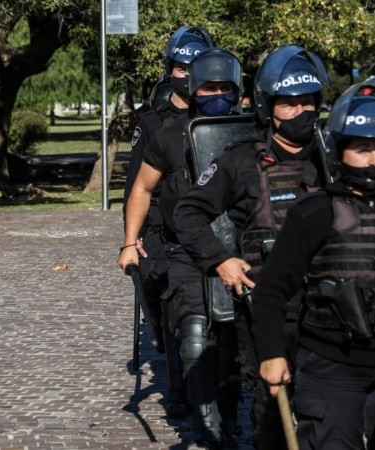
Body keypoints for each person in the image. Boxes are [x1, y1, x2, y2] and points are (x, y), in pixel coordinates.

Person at [255, 77, 375, 450]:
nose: (373, 160)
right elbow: (272, 290)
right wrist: (273, 354)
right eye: (362, 149)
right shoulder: (314, 212)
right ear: (340, 151)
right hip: (330, 367)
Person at [174, 44, 331, 450]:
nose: (301, 111)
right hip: (269, 309)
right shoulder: (240, 161)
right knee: (273, 413)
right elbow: (188, 212)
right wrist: (220, 260)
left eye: (308, 102)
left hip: (331, 308)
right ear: (267, 106)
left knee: (328, 411)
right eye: (289, 103)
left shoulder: (334, 158)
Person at [119, 48, 244, 449]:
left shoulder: (249, 132)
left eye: (225, 87)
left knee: (232, 343)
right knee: (194, 336)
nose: (217, 94)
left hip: (240, 249)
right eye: (209, 87)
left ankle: (229, 413)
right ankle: (205, 428)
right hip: (183, 249)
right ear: (193, 88)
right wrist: (128, 243)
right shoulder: (168, 135)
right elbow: (141, 188)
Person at [122, 25, 214, 418]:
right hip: (161, 226)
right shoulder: (153, 121)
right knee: (168, 305)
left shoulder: (219, 112)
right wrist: (132, 237)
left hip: (210, 221)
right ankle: (178, 387)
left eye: (196, 66)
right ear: (169, 68)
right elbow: (135, 187)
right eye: (181, 66)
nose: (188, 74)